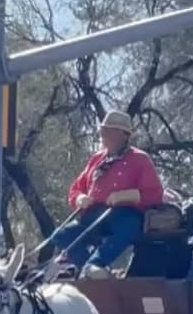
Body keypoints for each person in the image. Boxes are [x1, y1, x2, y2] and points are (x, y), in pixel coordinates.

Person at [47, 110, 165, 276]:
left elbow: (155, 194)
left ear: (123, 135)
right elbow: (76, 188)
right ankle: (89, 269)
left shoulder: (140, 159)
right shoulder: (97, 159)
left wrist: (124, 196)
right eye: (103, 131)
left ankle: (95, 264)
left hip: (124, 215)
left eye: (108, 131)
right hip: (93, 216)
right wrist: (80, 198)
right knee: (60, 235)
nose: (103, 135)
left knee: (129, 226)